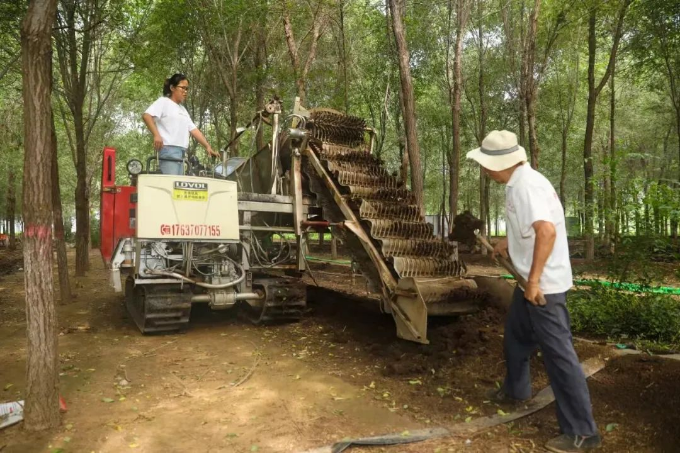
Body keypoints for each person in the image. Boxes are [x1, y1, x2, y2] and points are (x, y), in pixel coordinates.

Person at [466, 130, 601, 453]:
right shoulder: (518, 183)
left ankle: (583, 432)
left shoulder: (527, 186)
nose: (484, 170)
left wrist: (536, 281)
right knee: (516, 338)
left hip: (543, 289)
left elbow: (547, 231)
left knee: (559, 356)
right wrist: (508, 243)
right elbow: (531, 227)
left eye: (486, 164)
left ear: (502, 163)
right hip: (528, 282)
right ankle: (516, 391)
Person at [142, 73, 219, 175]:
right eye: (182, 88)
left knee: (178, 183)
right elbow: (147, 116)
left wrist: (207, 146)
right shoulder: (164, 102)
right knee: (172, 183)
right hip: (168, 150)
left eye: (187, 89)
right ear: (172, 88)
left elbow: (194, 130)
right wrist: (156, 135)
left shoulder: (182, 109)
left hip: (182, 153)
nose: (185, 91)